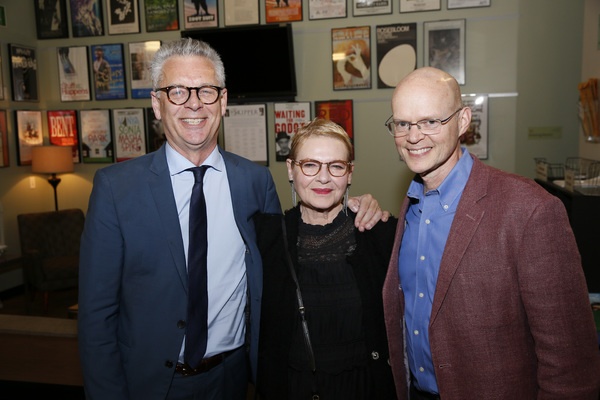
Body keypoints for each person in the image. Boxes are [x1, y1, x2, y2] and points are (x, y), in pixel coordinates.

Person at [78, 38, 385, 400]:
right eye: (177, 91)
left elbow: (286, 262)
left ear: (222, 102)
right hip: (148, 384)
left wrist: (362, 209)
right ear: (157, 105)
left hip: (234, 379)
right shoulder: (116, 189)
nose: (194, 103)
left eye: (206, 91)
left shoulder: (253, 182)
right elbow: (96, 315)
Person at [382, 66, 600, 399]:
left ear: (463, 121)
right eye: (402, 124)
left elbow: (570, 361)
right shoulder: (412, 206)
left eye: (430, 121)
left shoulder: (530, 209)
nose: (414, 136)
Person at [254, 118, 398, 400]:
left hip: (366, 388)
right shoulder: (266, 238)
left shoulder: (380, 234)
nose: (323, 177)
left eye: (336, 166)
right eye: (310, 165)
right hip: (293, 389)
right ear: (291, 170)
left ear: (350, 173)